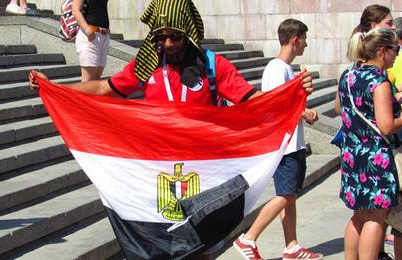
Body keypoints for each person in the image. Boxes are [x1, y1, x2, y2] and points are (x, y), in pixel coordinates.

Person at [29, 0, 313, 258]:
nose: (167, 43)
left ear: (188, 32)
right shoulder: (147, 64)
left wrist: (292, 94)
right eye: (160, 36)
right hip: (157, 176)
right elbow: (105, 88)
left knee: (202, 249)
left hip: (205, 176)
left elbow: (253, 101)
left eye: (175, 36)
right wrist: (55, 88)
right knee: (158, 251)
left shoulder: (213, 66)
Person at [232, 19, 321, 260]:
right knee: (287, 194)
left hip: (289, 142)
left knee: (289, 195)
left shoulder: (284, 68)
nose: (306, 43)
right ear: (295, 39)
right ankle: (248, 238)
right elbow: (274, 104)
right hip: (285, 144)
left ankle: (291, 246)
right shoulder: (277, 68)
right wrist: (305, 111)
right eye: (304, 38)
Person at [335, 28, 402, 260]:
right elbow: (386, 126)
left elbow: (339, 109)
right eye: (395, 49)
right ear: (382, 51)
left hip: (352, 154)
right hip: (376, 156)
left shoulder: (348, 74)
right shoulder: (379, 81)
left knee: (359, 215)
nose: (398, 54)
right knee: (376, 216)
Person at [72, 0, 110, 82]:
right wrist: (86, 29)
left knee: (96, 80)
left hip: (103, 36)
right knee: (88, 82)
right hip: (90, 36)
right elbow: (75, 9)